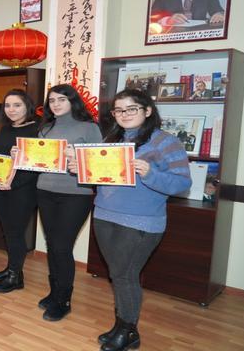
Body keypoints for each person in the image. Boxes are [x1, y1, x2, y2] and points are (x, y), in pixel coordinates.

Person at [68, 89, 191, 351]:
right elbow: (103, 178)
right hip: (104, 215)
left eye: (131, 108)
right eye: (119, 110)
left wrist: (150, 173)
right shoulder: (112, 140)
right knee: (117, 274)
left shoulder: (165, 142)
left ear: (147, 110)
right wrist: (82, 170)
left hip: (141, 222)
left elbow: (182, 184)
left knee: (125, 275)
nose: (124, 114)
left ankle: (128, 331)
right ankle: (121, 325)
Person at [36, 84, 103, 321]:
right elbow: (39, 161)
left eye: (61, 99)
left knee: (62, 247)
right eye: (52, 100)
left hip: (76, 194)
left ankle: (64, 300)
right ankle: (54, 292)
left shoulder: (89, 127)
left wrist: (79, 159)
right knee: (51, 244)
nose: (55, 104)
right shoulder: (45, 128)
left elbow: (98, 164)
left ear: (73, 101)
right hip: (45, 191)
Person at [0, 89, 40, 292]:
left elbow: (35, 167)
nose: (11, 109)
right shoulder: (7, 128)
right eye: (7, 105)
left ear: (27, 106)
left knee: (16, 233)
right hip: (1, 187)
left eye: (17, 105)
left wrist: (12, 184)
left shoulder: (36, 130)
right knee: (8, 232)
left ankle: (15, 278)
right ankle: (12, 268)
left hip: (23, 190)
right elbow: (1, 158)